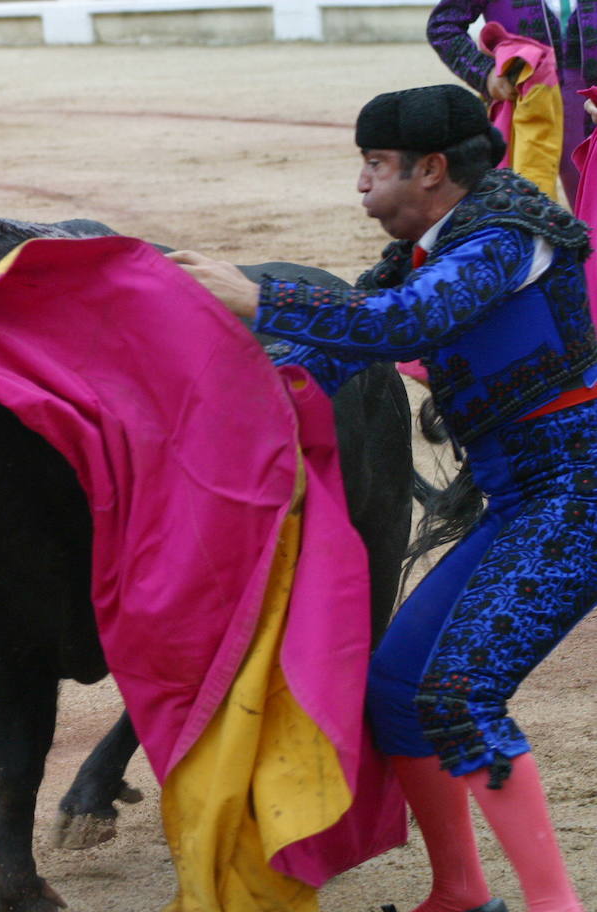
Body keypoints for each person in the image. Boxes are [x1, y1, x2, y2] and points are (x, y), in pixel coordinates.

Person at [169, 84, 593, 912]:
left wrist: (259, 297)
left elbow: (402, 324)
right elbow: (340, 346)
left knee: (458, 691)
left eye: (374, 166)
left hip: (579, 491)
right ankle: (461, 893)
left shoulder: (506, 236)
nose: (361, 187)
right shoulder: (437, 244)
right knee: (398, 688)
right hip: (524, 493)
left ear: (432, 170)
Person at [426, 0, 597, 202]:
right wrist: (484, 71)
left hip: (590, 100)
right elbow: (443, 26)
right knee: (523, 200)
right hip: (520, 97)